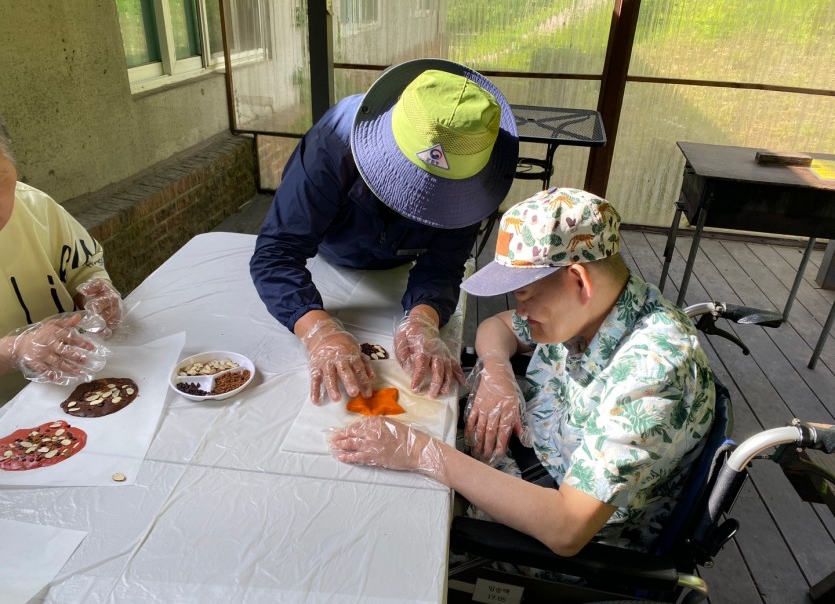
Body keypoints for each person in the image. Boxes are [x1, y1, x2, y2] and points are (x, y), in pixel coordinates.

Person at [329, 187, 716, 556]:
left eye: (526, 295)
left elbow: (567, 528)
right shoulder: (603, 303)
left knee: (377, 526)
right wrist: (497, 372)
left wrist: (422, 453)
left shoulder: (652, 374)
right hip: (518, 459)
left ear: (578, 281)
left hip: (545, 537)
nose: (522, 311)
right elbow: (498, 326)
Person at [250, 58, 519, 404]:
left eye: (441, 198)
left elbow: (443, 265)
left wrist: (424, 318)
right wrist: (318, 331)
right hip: (332, 252)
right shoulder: (332, 143)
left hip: (401, 266)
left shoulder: (476, 179)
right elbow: (278, 252)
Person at [0, 115, 123, 403]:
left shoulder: (37, 207)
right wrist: (14, 349)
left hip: (82, 378)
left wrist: (96, 293)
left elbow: (84, 267)